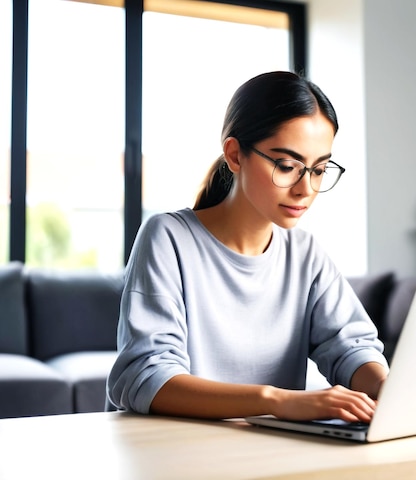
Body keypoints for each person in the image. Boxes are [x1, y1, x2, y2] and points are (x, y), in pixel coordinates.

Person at [106, 71, 388, 423]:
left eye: (318, 170)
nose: (305, 189)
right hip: (173, 453)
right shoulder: (168, 238)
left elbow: (350, 347)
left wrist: (388, 390)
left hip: (267, 455)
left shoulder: (305, 254)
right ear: (235, 155)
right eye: (287, 166)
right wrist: (276, 400)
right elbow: (145, 378)